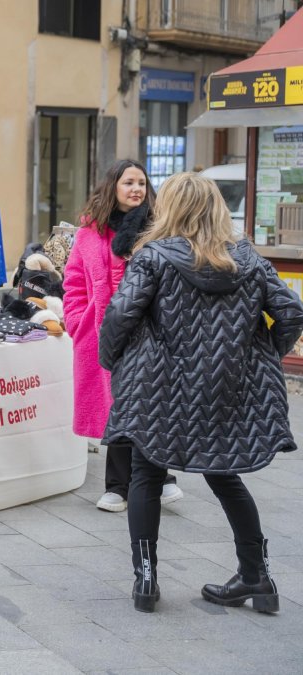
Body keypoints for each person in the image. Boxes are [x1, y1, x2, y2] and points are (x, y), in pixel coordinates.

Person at [99, 172, 303, 613]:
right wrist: (261, 353)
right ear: (215, 208)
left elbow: (120, 314)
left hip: (160, 386)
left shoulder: (153, 257)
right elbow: (291, 312)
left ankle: (146, 581)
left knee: (145, 476)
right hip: (226, 386)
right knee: (226, 476)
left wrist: (112, 359)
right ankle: (257, 577)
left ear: (170, 207)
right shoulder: (247, 259)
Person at [63, 160, 183, 512]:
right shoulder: (89, 233)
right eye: (129, 182)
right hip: (103, 332)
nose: (136, 189)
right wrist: (76, 320)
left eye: (142, 183)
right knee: (115, 406)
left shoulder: (160, 230)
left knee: (150, 404)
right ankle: (117, 486)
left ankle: (160, 479)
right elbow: (73, 282)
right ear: (113, 187)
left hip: (151, 331)